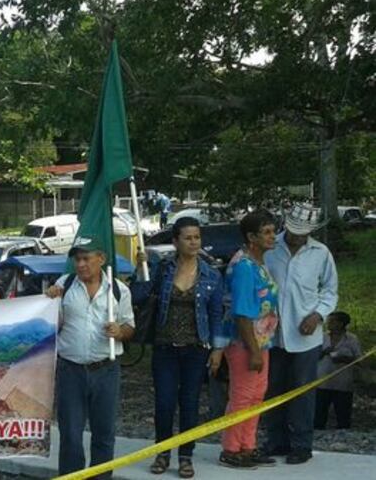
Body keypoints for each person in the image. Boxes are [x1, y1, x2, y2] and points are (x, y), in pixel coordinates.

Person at [131, 218, 224, 478]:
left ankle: (186, 456)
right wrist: (141, 269)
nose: (194, 242)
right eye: (188, 238)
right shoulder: (162, 270)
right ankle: (163, 452)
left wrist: (217, 350)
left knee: (190, 403)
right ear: (175, 241)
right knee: (164, 403)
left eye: (197, 237)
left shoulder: (211, 274)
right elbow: (137, 296)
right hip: (165, 348)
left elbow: (216, 314)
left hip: (196, 348)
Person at [45, 235, 134, 480]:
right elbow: (52, 325)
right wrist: (49, 303)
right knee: (71, 434)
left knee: (104, 434)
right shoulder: (65, 284)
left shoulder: (118, 289)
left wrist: (120, 331)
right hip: (70, 370)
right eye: (77, 259)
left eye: (86, 258)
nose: (81, 264)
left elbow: (130, 327)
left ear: (101, 258)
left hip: (106, 369)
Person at [262, 203, 338, 464]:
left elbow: (330, 291)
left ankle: (302, 445)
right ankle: (276, 441)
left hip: (305, 335)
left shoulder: (321, 253)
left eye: (301, 232)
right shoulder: (270, 247)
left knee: (302, 392)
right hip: (272, 333)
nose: (295, 236)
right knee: (273, 388)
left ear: (310, 232)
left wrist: (318, 315)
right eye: (292, 230)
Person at [219, 210, 279, 469]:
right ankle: (232, 448)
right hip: (245, 343)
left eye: (272, 230)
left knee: (257, 396)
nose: (272, 236)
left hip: (262, 341)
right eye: (266, 232)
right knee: (242, 396)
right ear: (251, 237)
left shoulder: (258, 262)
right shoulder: (244, 266)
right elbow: (242, 313)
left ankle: (248, 445)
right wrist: (254, 351)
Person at [314, 312, 361, 429]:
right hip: (322, 381)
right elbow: (312, 357)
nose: (329, 324)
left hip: (343, 383)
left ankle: (343, 435)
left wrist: (345, 359)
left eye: (332, 321)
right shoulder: (322, 337)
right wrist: (324, 352)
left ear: (341, 324)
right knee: (319, 414)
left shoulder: (352, 339)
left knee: (343, 415)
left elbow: (359, 359)